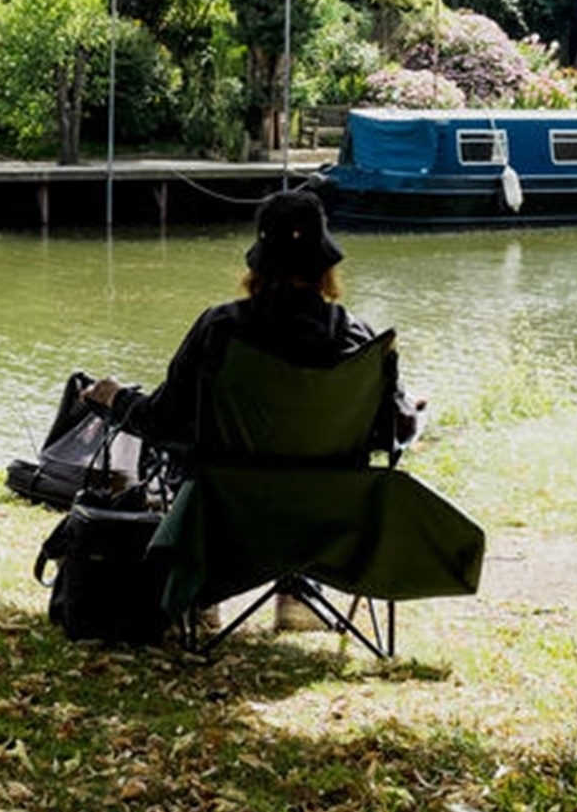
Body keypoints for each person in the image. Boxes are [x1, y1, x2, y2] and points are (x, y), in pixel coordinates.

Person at [81, 189, 423, 628]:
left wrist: (114, 398)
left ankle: (203, 593)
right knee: (308, 469)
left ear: (257, 267)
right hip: (334, 520)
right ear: (326, 267)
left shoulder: (220, 330)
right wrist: (410, 412)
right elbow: (394, 432)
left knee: (192, 456)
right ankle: (299, 593)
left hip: (228, 515)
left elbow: (162, 419)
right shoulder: (362, 340)